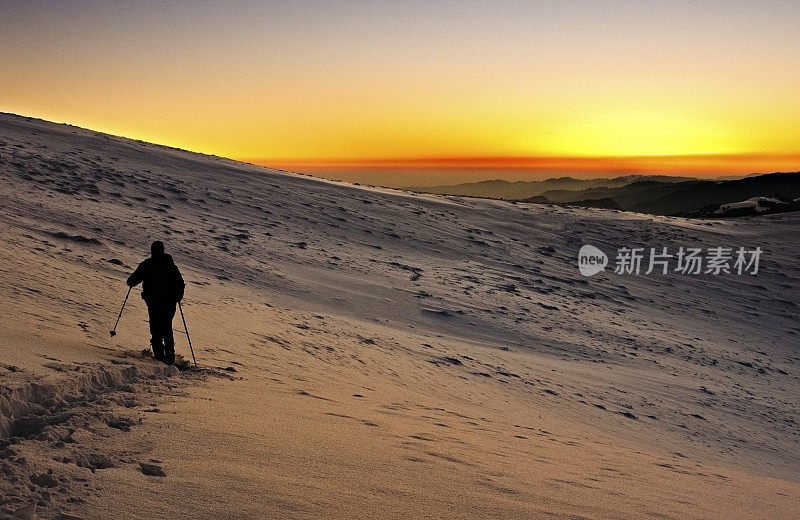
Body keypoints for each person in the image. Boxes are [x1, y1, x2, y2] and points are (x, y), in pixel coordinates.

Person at [127, 241, 185, 365]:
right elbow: (180, 284)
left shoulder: (148, 264)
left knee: (156, 328)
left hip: (154, 302)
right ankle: (169, 355)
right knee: (166, 326)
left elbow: (132, 280)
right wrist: (178, 297)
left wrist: (132, 282)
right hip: (169, 303)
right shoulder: (171, 266)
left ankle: (160, 357)